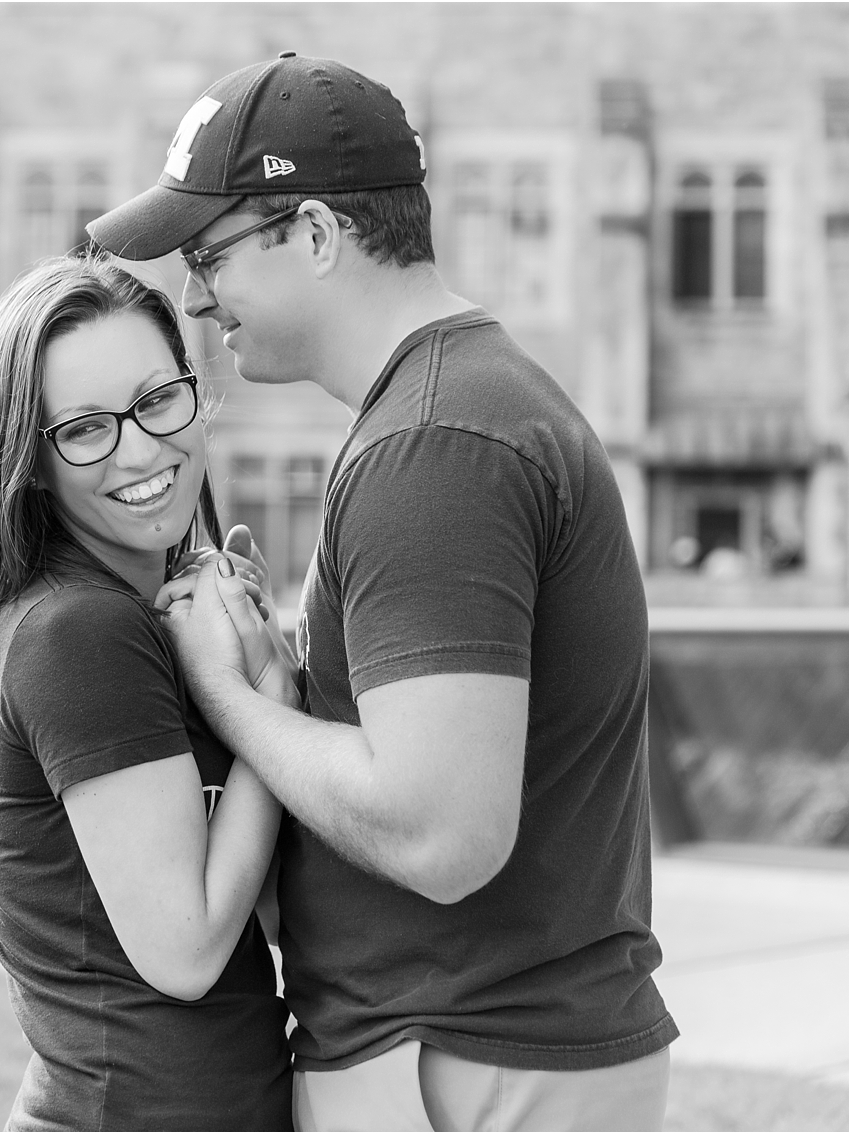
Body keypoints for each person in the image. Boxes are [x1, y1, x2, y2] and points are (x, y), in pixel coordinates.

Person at [86, 53, 679, 1131]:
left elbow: (438, 835)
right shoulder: (455, 409)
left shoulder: (432, 446)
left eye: (207, 255)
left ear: (315, 235)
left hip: (463, 1062)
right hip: (488, 1052)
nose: (192, 296)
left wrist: (231, 697)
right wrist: (290, 681)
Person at [0, 255, 295, 1131]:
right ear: (27, 464)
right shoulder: (79, 635)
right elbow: (184, 950)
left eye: (156, 400)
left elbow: (267, 899)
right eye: (83, 429)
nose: (142, 450)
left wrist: (237, 662)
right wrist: (264, 697)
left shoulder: (138, 622)